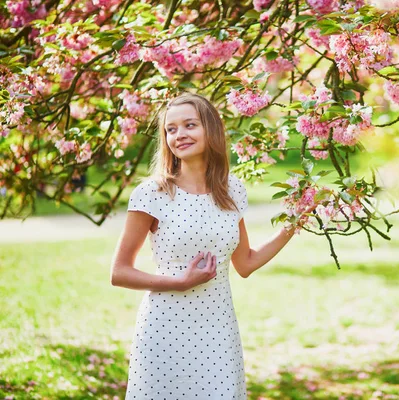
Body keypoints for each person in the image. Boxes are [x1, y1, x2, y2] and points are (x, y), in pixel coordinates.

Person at [110, 92, 305, 399]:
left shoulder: (232, 190)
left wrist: (291, 226)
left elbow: (246, 263)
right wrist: (179, 282)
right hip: (165, 329)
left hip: (218, 327)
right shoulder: (151, 193)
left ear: (210, 130)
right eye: (171, 129)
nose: (179, 135)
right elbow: (119, 272)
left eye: (190, 125)